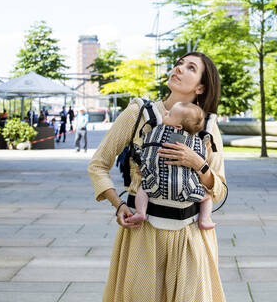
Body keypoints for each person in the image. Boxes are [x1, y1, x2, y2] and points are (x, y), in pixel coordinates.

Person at [88, 52, 227, 301]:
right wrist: (118, 204)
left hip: (191, 236)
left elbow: (220, 190)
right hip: (143, 233)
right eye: (179, 64)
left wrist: (198, 164)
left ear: (201, 87)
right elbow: (98, 164)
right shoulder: (139, 113)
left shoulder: (207, 126)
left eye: (190, 67)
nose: (179, 68)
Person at [127, 101, 216, 230]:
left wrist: (145, 168)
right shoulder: (198, 142)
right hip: (187, 189)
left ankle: (140, 212)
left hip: (155, 186)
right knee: (207, 198)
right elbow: (202, 160)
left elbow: (146, 155)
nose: (165, 113)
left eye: (169, 115)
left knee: (142, 188)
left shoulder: (155, 132)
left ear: (178, 126)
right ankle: (205, 220)